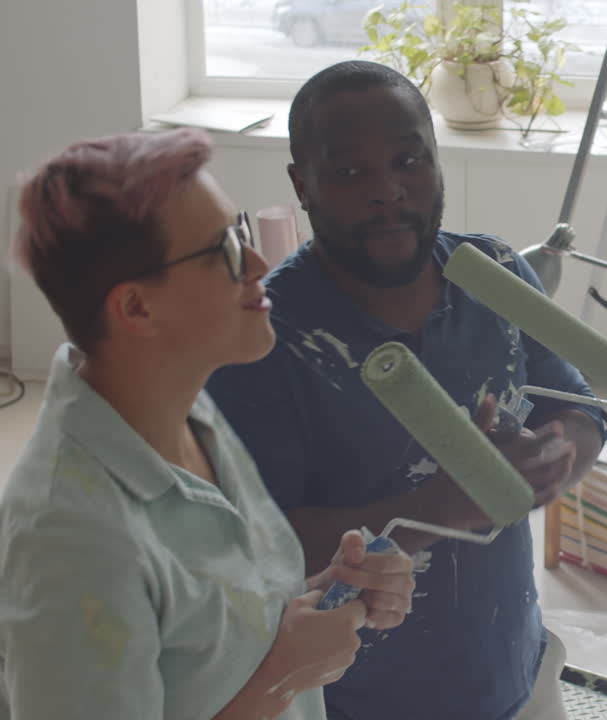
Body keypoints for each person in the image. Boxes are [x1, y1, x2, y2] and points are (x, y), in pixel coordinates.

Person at [206, 60, 607, 720]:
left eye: (409, 160)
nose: (388, 191)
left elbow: (580, 405)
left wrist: (555, 452)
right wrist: (447, 504)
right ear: (300, 184)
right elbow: (260, 548)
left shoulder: (496, 273)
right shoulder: (264, 339)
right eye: (350, 172)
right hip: (360, 701)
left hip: (515, 674)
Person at [0, 129, 416, 720]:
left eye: (238, 231)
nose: (258, 263)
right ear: (136, 308)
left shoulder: (189, 410)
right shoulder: (70, 541)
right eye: (222, 249)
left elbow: (209, 635)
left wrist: (329, 593)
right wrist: (282, 679)